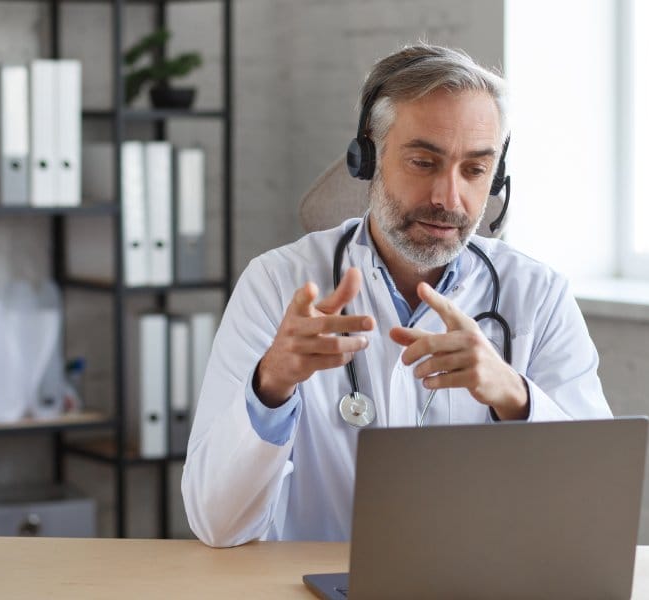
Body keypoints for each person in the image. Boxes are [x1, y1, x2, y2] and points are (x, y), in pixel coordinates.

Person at [181, 44, 612, 547]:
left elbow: (597, 509)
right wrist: (271, 383)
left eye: (474, 170)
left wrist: (516, 396)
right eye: (424, 162)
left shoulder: (538, 295)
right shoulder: (276, 284)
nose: (449, 199)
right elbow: (216, 525)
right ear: (367, 159)